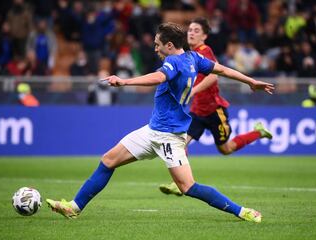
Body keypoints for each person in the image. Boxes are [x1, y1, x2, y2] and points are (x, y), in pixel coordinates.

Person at [46, 22, 274, 223]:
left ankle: (241, 211)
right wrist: (250, 81)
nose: (155, 48)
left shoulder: (174, 62)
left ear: (170, 46)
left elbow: (158, 77)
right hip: (152, 130)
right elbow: (222, 69)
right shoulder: (194, 58)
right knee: (108, 160)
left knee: (188, 187)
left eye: (158, 44)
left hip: (169, 137)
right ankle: (74, 208)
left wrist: (124, 82)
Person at [159, 17, 272, 196]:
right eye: (190, 30)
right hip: (197, 110)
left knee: (226, 149)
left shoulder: (205, 50)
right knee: (180, 144)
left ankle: (258, 132)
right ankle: (179, 182)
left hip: (214, 109)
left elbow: (214, 76)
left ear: (204, 36)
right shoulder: (187, 54)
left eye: (196, 30)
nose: (192, 33)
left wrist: (193, 91)